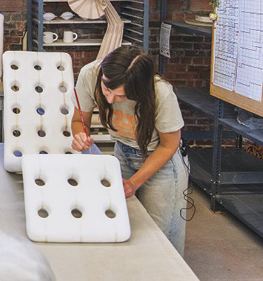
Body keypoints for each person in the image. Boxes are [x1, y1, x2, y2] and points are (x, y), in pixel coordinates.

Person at [71, 46, 189, 255]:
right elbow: (79, 121)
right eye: (106, 90)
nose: (109, 100)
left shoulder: (160, 92)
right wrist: (80, 135)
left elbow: (169, 145)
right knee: (124, 228)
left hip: (160, 161)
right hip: (122, 154)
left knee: (161, 241)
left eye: (120, 96)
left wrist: (134, 182)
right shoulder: (90, 74)